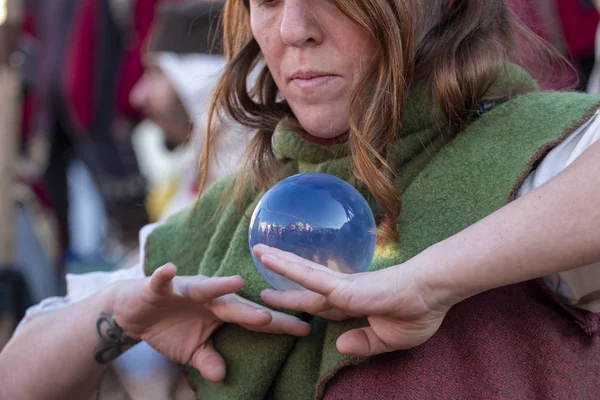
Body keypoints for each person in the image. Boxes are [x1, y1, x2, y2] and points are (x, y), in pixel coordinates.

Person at [2, 0, 600, 399]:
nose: (293, 29)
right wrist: (120, 312)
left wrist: (429, 281)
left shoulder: (541, 157)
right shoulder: (229, 216)